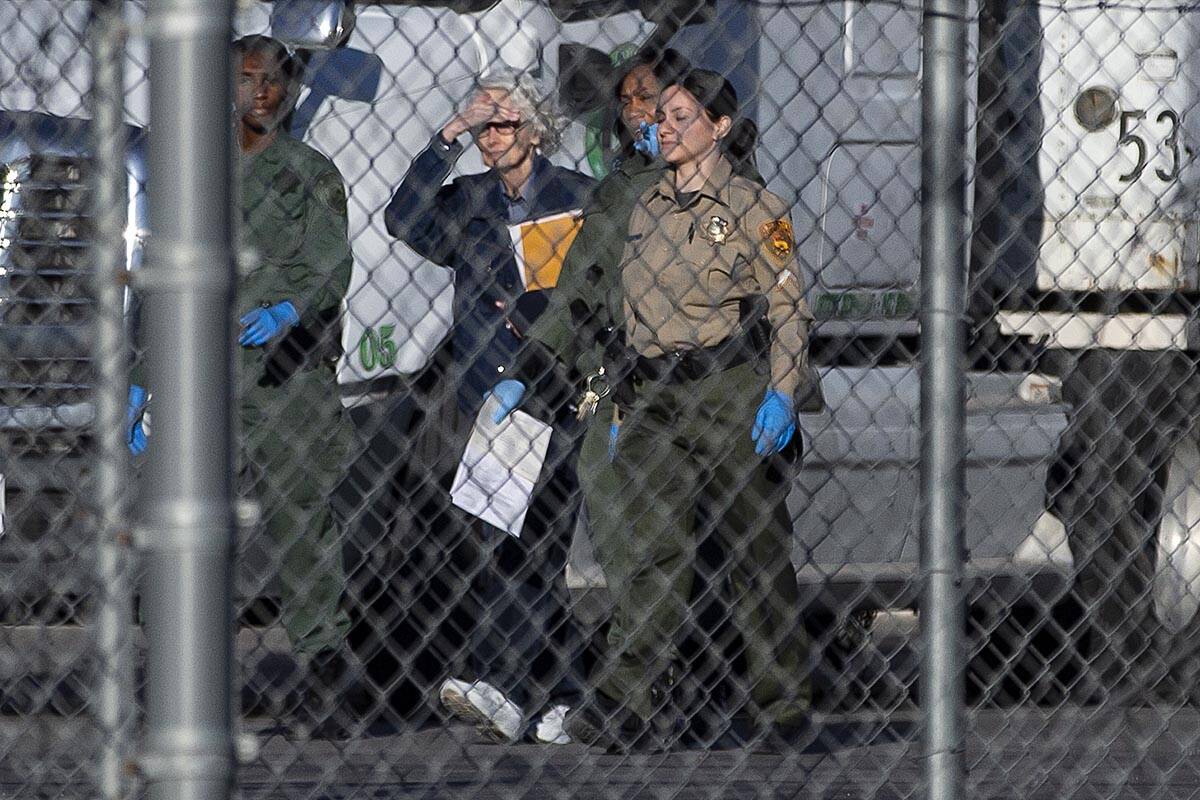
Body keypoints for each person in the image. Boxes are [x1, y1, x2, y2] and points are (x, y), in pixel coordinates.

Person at [495, 69, 814, 752]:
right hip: (652, 398)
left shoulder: (761, 210)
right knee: (652, 553)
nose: (661, 127)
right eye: (658, 117)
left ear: (719, 127)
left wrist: (783, 390)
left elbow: (789, 307)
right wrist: (541, 367)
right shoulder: (642, 209)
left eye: (679, 116)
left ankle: (782, 705)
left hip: (727, 396)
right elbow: (592, 288)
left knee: (757, 556)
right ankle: (624, 701)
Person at [124, 35, 357, 737]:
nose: (262, 92)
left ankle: (322, 677)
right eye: (247, 79)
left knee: (303, 528)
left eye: (274, 81)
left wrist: (292, 307)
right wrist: (144, 378)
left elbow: (331, 261)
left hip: (287, 382)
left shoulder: (310, 172)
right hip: (204, 380)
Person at [384, 70, 594, 744]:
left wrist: (537, 372)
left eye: (501, 123)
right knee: (514, 546)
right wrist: (444, 138)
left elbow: (570, 304)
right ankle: (566, 692)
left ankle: (502, 683)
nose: (489, 135)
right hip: (488, 401)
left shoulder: (571, 198)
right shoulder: (470, 199)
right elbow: (404, 220)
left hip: (549, 393)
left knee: (529, 543)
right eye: (481, 125)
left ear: (534, 129)